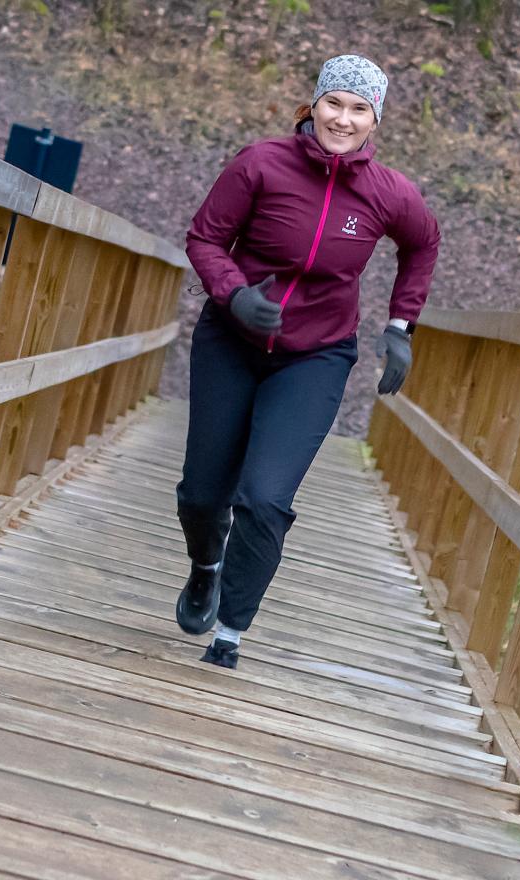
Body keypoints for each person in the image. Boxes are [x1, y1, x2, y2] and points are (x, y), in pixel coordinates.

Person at [175, 54, 440, 669]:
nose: (343, 120)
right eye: (334, 103)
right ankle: (205, 568)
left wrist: (401, 324)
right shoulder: (260, 164)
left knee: (264, 498)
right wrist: (236, 294)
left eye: (359, 109)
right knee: (201, 494)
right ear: (313, 104)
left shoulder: (389, 193)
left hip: (315, 357)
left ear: (376, 120)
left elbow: (423, 243)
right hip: (232, 343)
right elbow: (205, 237)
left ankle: (232, 630)